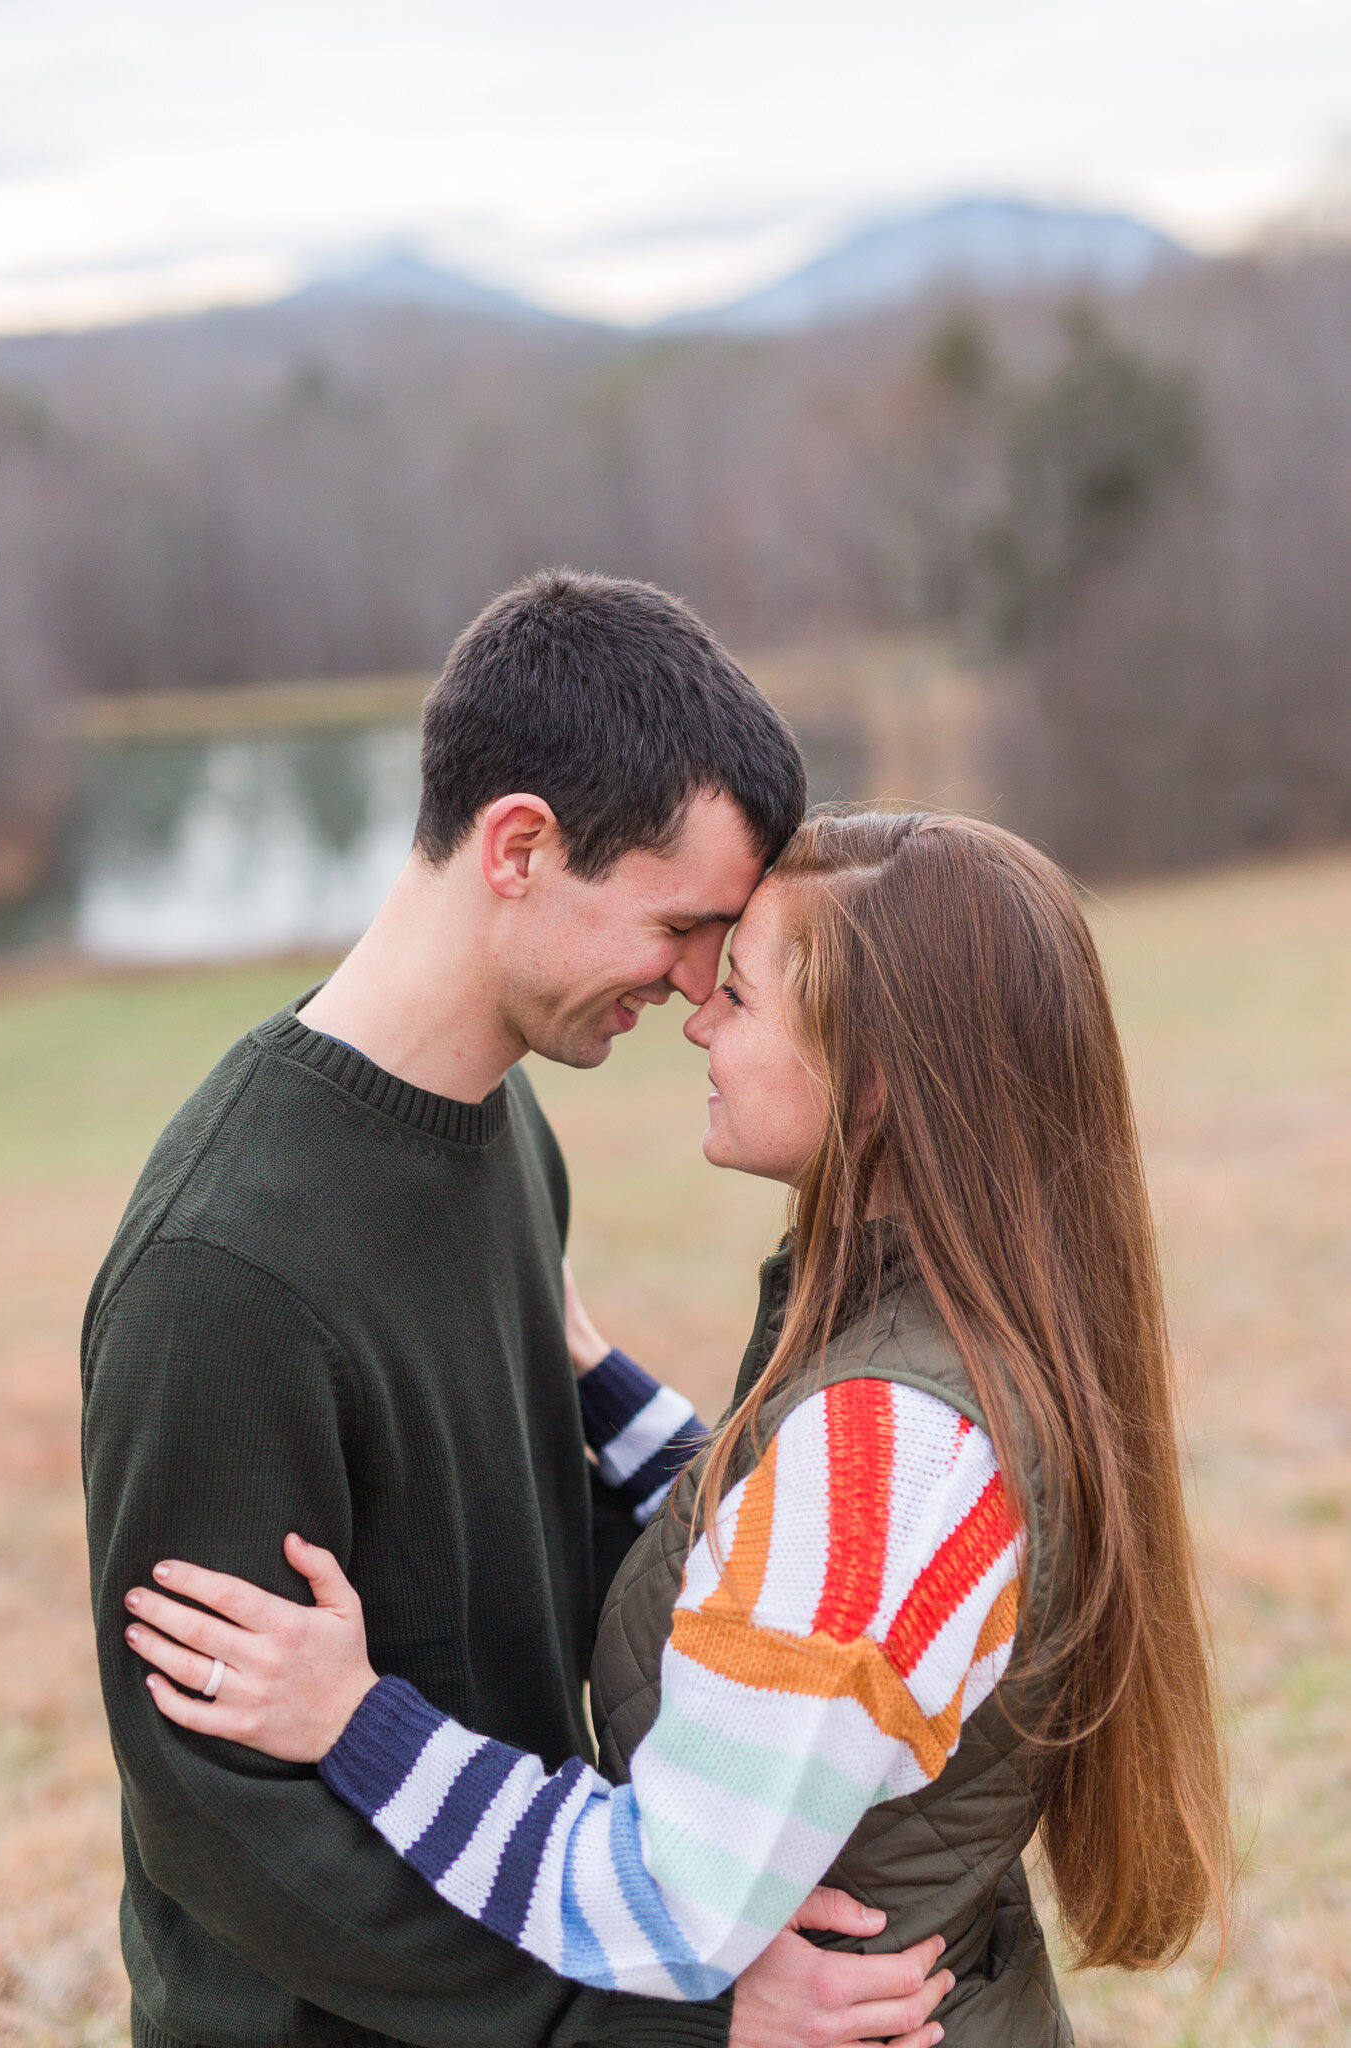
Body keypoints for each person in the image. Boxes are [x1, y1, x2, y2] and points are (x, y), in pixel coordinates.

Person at [121, 812, 1236, 2044]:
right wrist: (592, 1375)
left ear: (874, 1078)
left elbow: (660, 1900)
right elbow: (766, 1567)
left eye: (742, 992)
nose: (697, 1011)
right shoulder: (950, 1344)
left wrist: (355, 1719)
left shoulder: (886, 1444)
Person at [82, 572, 951, 2048]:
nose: (697, 988)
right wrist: (659, 2022)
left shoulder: (501, 1132)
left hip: (536, 1931)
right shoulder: (223, 1272)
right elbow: (220, 1823)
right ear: (521, 846)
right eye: (680, 925)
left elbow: (535, 1557)